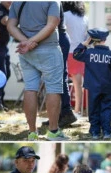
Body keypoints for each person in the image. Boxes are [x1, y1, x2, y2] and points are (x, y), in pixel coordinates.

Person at [7, 2, 69, 141]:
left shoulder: (17, 2)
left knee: (30, 88)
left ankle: (32, 132)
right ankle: (53, 131)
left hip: (26, 52)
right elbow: (52, 24)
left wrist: (25, 41)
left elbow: (10, 25)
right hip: (49, 50)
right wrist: (31, 42)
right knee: (53, 89)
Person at [73, 28, 111, 139]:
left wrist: (84, 44)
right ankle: (107, 132)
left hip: (93, 87)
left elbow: (76, 54)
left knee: (93, 109)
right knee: (107, 108)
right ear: (105, 39)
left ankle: (95, 132)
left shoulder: (88, 53)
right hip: (107, 87)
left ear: (92, 40)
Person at [42, 4, 77, 128]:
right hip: (55, 38)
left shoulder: (53, 3)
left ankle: (66, 112)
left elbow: (52, 22)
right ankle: (57, 115)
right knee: (56, 78)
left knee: (60, 78)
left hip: (58, 38)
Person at [62, 1, 88, 116]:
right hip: (81, 52)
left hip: (68, 51)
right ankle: (78, 110)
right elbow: (87, 36)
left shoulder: (65, 15)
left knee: (61, 82)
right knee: (78, 84)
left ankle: (65, 110)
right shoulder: (84, 17)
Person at [0, 1, 12, 112]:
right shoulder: (0, 9)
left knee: (6, 74)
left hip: (3, 47)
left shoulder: (8, 10)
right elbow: (4, 21)